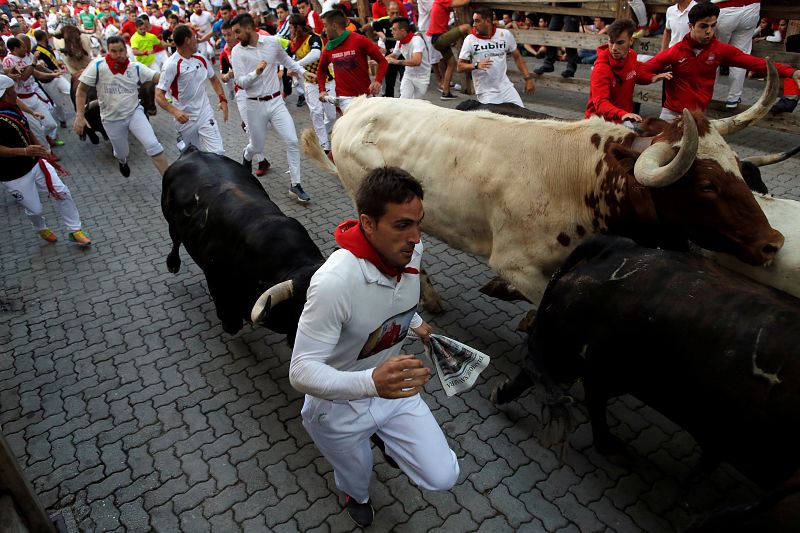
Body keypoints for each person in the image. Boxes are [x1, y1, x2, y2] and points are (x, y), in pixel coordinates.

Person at [290, 167, 459, 528]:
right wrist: (370, 383)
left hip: (392, 390)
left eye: (418, 223)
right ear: (368, 224)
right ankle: (356, 494)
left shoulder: (410, 251)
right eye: (402, 225)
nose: (415, 237)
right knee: (357, 473)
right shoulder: (335, 283)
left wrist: (415, 323)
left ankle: (387, 440)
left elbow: (393, 297)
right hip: (336, 407)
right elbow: (300, 370)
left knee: (443, 476)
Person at [640, 2, 800, 121]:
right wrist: (652, 77)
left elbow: (755, 63)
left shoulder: (720, 50)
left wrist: (791, 72)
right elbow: (641, 71)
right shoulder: (675, 51)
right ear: (691, 26)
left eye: (713, 25)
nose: (709, 31)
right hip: (670, 115)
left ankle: (733, 99)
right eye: (703, 26)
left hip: (699, 118)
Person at [0, 74, 90, 246]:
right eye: (12, 91)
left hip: (35, 163)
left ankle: (75, 230)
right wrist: (24, 151)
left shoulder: (11, 105)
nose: (16, 93)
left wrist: (39, 148)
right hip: (13, 174)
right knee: (35, 210)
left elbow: (25, 128)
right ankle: (39, 226)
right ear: (5, 94)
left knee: (61, 192)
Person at [230, 13, 310, 202]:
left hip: (276, 102)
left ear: (249, 28)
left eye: (238, 32)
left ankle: (296, 185)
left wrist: (304, 72)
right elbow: (241, 83)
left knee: (292, 141)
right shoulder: (237, 51)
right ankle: (247, 154)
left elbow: (287, 60)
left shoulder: (272, 42)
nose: (235, 36)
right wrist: (256, 72)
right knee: (257, 146)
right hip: (254, 104)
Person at [74, 35, 168, 176]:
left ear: (126, 49)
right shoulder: (97, 66)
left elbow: (159, 78)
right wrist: (79, 116)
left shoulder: (135, 68)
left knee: (153, 145)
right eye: (114, 51)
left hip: (134, 114)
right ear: (108, 51)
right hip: (111, 119)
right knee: (122, 152)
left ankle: (168, 181)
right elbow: (81, 91)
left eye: (121, 50)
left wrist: (176, 72)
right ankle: (122, 161)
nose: (118, 55)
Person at [155, 24, 228, 154]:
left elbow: (214, 79)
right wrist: (175, 112)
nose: (197, 40)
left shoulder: (200, 58)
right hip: (185, 118)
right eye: (194, 37)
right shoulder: (171, 65)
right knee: (194, 156)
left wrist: (222, 99)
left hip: (205, 114)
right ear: (187, 40)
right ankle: (184, 145)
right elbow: (159, 95)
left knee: (218, 152)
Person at [585, 18, 671, 124]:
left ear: (631, 41)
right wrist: (622, 114)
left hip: (622, 118)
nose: (614, 48)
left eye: (620, 43)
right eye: (611, 42)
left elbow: (633, 73)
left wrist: (652, 77)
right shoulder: (601, 69)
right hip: (600, 123)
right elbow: (601, 104)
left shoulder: (631, 55)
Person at [456, 6, 534, 106]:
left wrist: (528, 78)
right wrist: (476, 65)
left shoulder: (505, 34)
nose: (474, 25)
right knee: (495, 116)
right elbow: (459, 66)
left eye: (477, 21)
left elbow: (517, 57)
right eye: (474, 21)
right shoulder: (470, 39)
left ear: (488, 21)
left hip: (506, 88)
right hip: (486, 92)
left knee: (521, 113)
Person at [317, 9, 387, 112]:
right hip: (344, 99)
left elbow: (382, 61)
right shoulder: (328, 47)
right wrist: (322, 90)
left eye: (325, 26)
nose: (324, 30)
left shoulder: (359, 40)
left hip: (365, 96)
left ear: (334, 26)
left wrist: (378, 81)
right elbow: (321, 70)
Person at [287, 15, 336, 154]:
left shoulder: (314, 38)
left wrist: (296, 65)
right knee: (316, 113)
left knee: (331, 116)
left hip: (326, 79)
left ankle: (316, 135)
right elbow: (285, 56)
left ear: (297, 27)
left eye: (291, 27)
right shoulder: (294, 42)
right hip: (309, 82)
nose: (289, 30)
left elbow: (316, 54)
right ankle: (324, 145)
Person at [2, 37, 61, 148]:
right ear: (15, 48)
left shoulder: (26, 56)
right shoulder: (8, 60)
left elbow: (36, 73)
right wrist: (33, 62)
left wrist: (52, 74)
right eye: (23, 47)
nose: (26, 49)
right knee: (37, 130)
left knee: (51, 124)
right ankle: (46, 151)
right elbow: (24, 77)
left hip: (33, 96)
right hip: (21, 100)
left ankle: (40, 139)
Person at [711, 0, 760, 109]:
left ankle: (706, 93)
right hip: (751, 7)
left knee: (714, 53)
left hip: (725, 8)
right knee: (741, 55)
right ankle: (733, 98)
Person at [426, 0, 470, 99]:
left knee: (452, 63)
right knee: (466, 27)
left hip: (437, 39)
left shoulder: (438, 2)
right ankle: (477, 47)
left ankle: (446, 93)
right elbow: (464, 2)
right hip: (439, 38)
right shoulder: (442, 0)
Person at [33, 29, 72, 129]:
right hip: (48, 81)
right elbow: (40, 67)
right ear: (43, 37)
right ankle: (62, 120)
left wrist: (59, 65)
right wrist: (51, 73)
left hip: (58, 76)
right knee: (58, 103)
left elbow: (52, 61)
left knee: (71, 90)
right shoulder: (36, 50)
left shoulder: (48, 47)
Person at [386, 16, 430, 99]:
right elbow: (394, 55)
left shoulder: (416, 40)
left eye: (394, 29)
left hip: (422, 77)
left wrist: (396, 61)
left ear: (402, 31)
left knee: (415, 103)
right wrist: (379, 61)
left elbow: (417, 61)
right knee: (403, 100)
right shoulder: (399, 41)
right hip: (408, 75)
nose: (392, 32)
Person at [533, 3, 581, 78]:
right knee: (551, 32)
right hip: (559, 5)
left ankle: (571, 68)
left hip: (572, 5)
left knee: (570, 36)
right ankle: (548, 64)